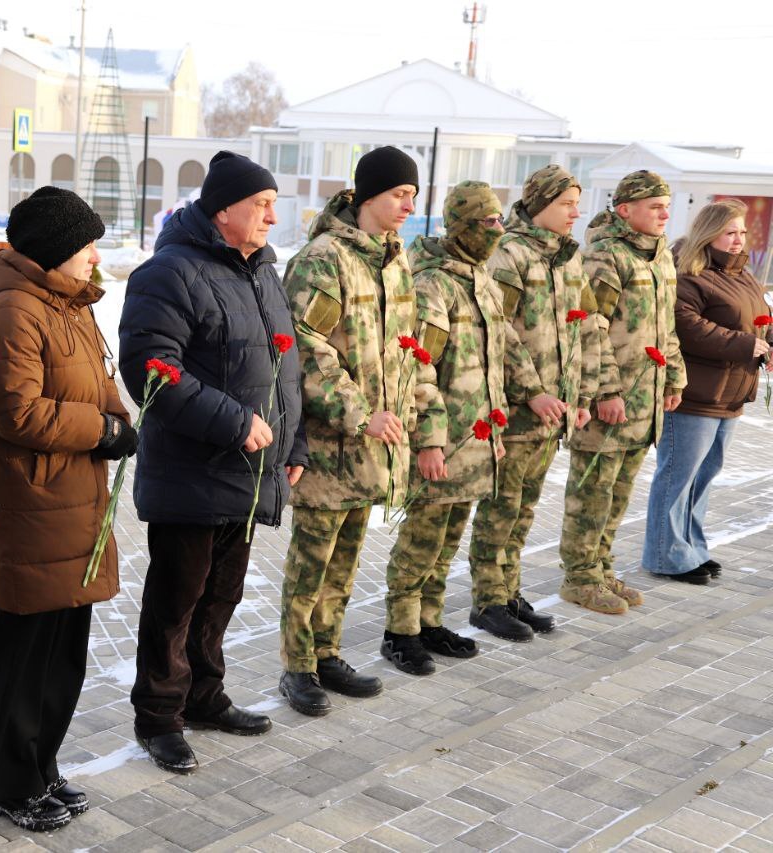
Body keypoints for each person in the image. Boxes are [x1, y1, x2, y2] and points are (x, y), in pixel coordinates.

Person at [119, 151, 307, 774]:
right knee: (176, 602)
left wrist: (293, 447)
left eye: (273, 205)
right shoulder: (168, 273)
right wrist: (233, 423)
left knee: (220, 596)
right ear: (222, 208)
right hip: (192, 471)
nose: (272, 218)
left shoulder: (262, 273)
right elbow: (152, 370)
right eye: (261, 205)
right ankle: (159, 716)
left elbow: (286, 373)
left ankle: (203, 697)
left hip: (250, 471)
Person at [0, 187, 132, 831]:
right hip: (32, 507)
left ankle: (41, 766)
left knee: (63, 655)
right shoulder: (14, 313)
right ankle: (9, 782)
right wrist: (102, 429)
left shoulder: (70, 306)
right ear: (55, 250)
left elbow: (99, 381)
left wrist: (119, 417)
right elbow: (18, 413)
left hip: (75, 506)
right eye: (86, 243)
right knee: (22, 656)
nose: (96, 255)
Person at [277, 146, 427, 716]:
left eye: (413, 195)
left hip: (375, 447)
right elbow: (305, 348)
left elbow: (408, 349)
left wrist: (408, 416)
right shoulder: (324, 260)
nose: (408, 205)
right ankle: (297, 665)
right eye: (399, 194)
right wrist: (361, 412)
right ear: (368, 196)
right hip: (329, 445)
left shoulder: (395, 260)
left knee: (346, 559)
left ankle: (327, 651)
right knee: (310, 563)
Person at [382, 181, 543, 676]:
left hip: (475, 439)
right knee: (422, 538)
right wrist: (429, 441)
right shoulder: (432, 284)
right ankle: (400, 630)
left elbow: (509, 346)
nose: (498, 231)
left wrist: (533, 390)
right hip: (444, 442)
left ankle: (429, 621)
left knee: (449, 536)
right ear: (463, 227)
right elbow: (420, 368)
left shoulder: (479, 278)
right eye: (488, 223)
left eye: (500, 221)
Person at [467, 165, 600, 641]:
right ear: (541, 203)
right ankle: (487, 600)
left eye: (576, 203)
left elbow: (583, 328)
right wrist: (533, 390)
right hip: (518, 411)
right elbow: (496, 329)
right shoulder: (510, 254)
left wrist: (581, 396)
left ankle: (509, 591)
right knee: (500, 510)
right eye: (566, 203)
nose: (575, 213)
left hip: (554, 414)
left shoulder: (568, 257)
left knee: (524, 512)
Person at [559, 170, 685, 614]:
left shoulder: (661, 257)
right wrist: (606, 392)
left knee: (617, 494)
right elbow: (591, 329)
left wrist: (673, 377)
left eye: (666, 205)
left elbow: (665, 323)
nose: (664, 213)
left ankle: (601, 567)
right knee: (592, 491)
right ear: (625, 210)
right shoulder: (605, 257)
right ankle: (579, 576)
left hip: (644, 399)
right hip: (610, 400)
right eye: (654, 206)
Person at [642, 199, 772, 583]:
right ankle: (667, 557)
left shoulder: (743, 274)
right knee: (677, 477)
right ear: (709, 232)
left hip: (730, 394)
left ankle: (691, 549)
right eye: (729, 232)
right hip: (694, 395)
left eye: (742, 232)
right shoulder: (688, 272)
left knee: (704, 475)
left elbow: (759, 321)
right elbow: (686, 325)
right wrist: (742, 344)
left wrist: (767, 344)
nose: (737, 240)